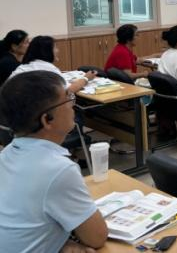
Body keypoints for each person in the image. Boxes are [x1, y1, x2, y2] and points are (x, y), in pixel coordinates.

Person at [0, 71, 108, 253]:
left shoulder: (7, 153)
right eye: (68, 99)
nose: (73, 106)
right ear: (47, 119)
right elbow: (97, 237)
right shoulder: (58, 169)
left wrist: (59, 243)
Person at [10, 36, 95, 93]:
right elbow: (69, 90)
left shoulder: (23, 66)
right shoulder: (47, 68)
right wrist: (86, 78)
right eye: (55, 47)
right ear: (46, 51)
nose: (58, 50)